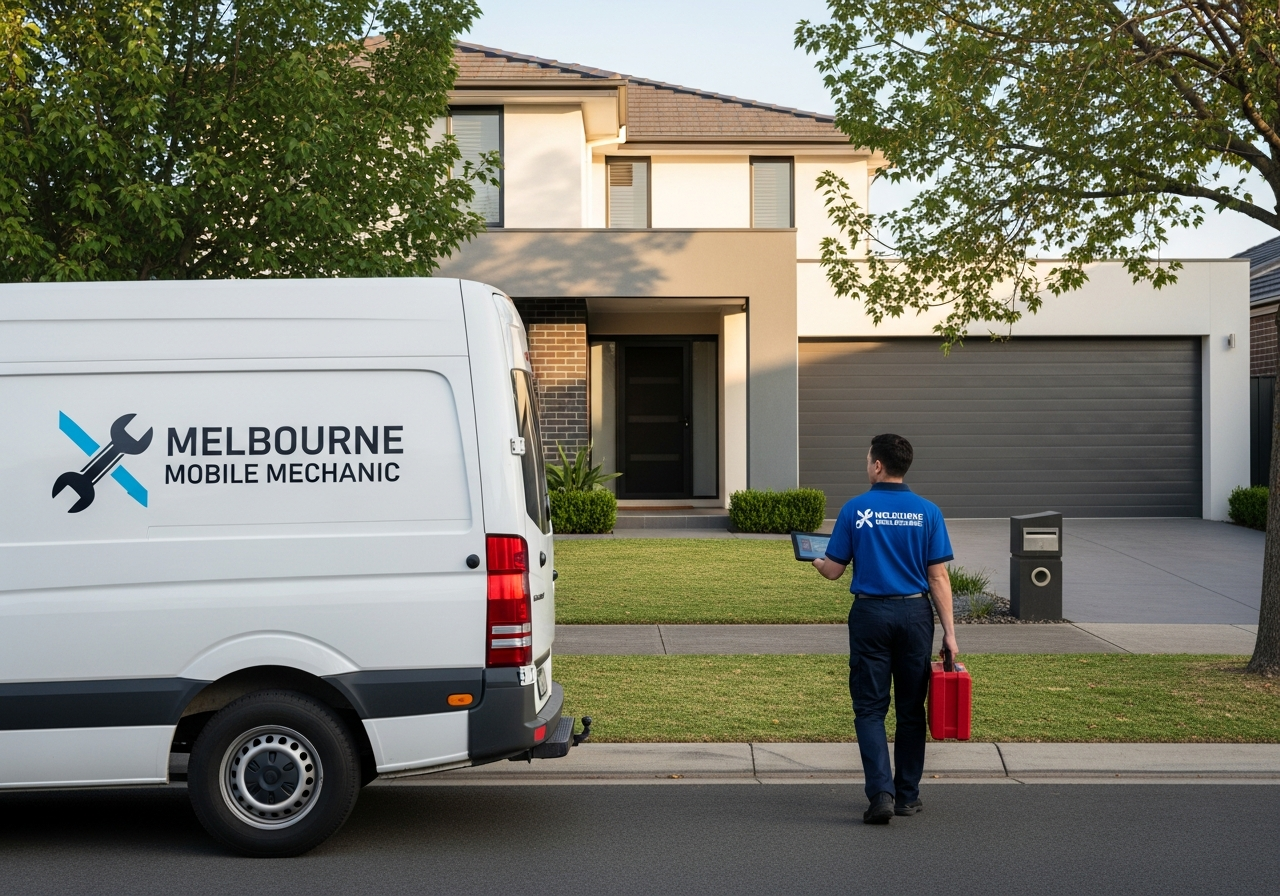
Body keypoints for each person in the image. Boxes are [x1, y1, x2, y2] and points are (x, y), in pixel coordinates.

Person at [812, 433, 959, 825]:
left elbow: (833, 570)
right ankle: (907, 796)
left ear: (878, 465)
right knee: (911, 709)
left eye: (867, 460)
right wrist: (950, 633)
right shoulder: (928, 511)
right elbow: (939, 577)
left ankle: (881, 795)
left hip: (870, 616)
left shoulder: (856, 509)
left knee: (870, 708)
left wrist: (812, 557)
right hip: (915, 616)